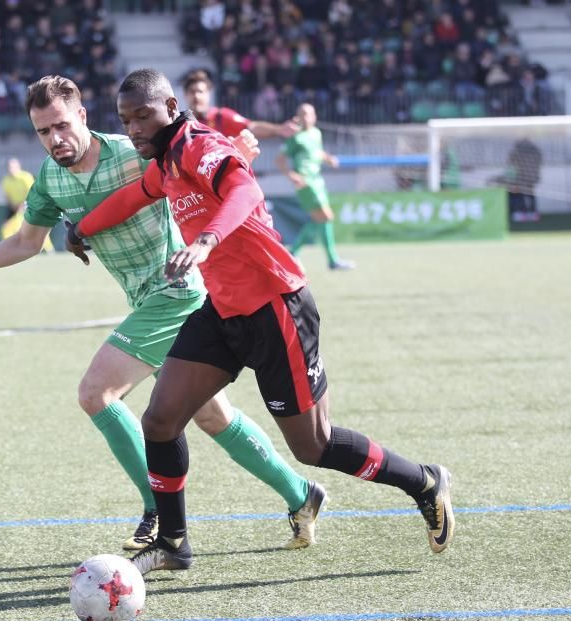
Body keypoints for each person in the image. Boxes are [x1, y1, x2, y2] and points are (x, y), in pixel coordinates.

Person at [71, 69, 454, 574]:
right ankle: (173, 542)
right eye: (126, 120)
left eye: (143, 116)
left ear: (169, 107)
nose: (135, 128)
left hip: (277, 307)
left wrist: (205, 241)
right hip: (224, 311)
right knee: (160, 420)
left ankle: (424, 481)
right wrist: (83, 227)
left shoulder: (196, 146)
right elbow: (134, 196)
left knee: (313, 445)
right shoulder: (164, 164)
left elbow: (244, 191)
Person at [0, 75, 327, 552]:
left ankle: (157, 511)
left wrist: (238, 148)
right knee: (212, 417)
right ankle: (301, 494)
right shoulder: (51, 179)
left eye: (61, 125)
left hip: (180, 291)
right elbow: (25, 242)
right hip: (145, 300)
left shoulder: (136, 149)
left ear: (82, 115)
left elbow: (207, 160)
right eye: (42, 131)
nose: (54, 139)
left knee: (97, 393)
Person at [276, 102, 354, 270]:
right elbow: (280, 160)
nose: (305, 117)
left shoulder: (316, 133)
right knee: (326, 216)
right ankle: (330, 260)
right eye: (302, 113)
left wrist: (328, 159)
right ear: (298, 116)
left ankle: (295, 252)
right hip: (306, 182)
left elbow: (317, 152)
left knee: (320, 219)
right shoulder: (294, 137)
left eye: (308, 114)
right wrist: (292, 175)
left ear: (314, 117)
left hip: (317, 180)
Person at [181, 68, 293, 139]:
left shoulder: (221, 116)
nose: (196, 96)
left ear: (209, 93)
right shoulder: (180, 127)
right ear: (185, 95)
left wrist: (279, 129)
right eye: (192, 92)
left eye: (200, 91)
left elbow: (251, 127)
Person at [0, 156, 53, 252]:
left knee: (37, 228)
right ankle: (8, 250)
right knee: (6, 228)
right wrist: (14, 206)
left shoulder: (26, 177)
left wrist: (22, 205)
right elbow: (7, 196)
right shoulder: (5, 180)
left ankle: (49, 249)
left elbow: (32, 193)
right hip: (14, 208)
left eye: (13, 166)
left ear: (18, 166)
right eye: (9, 167)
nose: (11, 169)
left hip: (30, 205)